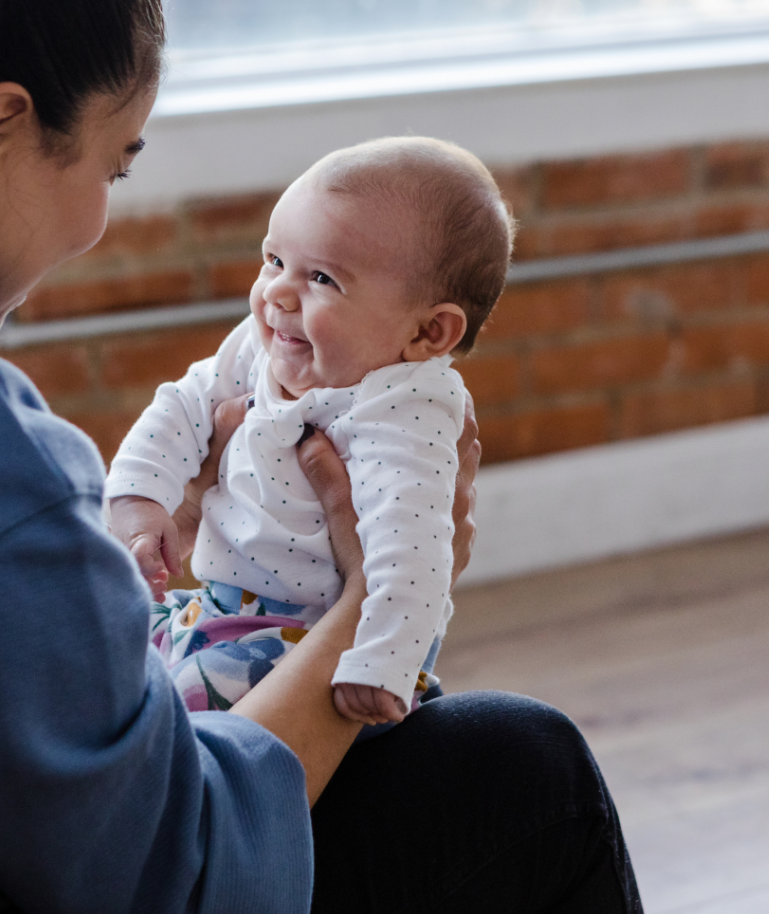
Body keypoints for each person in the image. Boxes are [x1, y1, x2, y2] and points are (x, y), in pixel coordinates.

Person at [0, 0, 650, 914]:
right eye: (111, 167)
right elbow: (179, 887)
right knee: (527, 772)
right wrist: (365, 613)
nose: (95, 222)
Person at [107, 137, 512, 728]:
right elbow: (181, 408)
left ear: (428, 333)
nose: (276, 292)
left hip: (307, 640)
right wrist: (142, 504)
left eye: (321, 277)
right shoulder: (263, 345)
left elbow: (416, 553)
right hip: (215, 609)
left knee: (175, 715)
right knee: (101, 643)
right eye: (274, 261)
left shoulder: (404, 408)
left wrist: (379, 665)